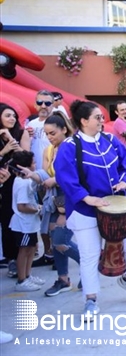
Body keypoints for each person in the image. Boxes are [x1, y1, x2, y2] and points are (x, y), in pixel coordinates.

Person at [55, 100, 126, 318]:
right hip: (85, 209)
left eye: (102, 117)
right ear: (84, 121)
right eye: (97, 117)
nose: (102, 121)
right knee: (90, 254)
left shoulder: (111, 140)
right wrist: (87, 198)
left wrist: (124, 181)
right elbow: (65, 178)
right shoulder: (69, 146)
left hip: (116, 206)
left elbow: (125, 165)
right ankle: (91, 299)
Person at [18, 112, 81, 296]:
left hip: (70, 198)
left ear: (64, 129)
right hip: (54, 200)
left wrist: (56, 180)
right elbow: (46, 175)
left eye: (53, 133)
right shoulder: (50, 150)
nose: (49, 137)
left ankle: (90, 265)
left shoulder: (73, 147)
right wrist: (32, 175)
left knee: (61, 240)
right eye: (46, 134)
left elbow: (77, 176)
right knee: (55, 242)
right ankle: (63, 279)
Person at [0, 103, 30, 278]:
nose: (12, 118)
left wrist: (11, 140)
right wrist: (4, 150)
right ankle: (11, 257)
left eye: (13, 116)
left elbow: (25, 157)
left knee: (20, 215)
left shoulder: (21, 133)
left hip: (18, 181)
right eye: (7, 116)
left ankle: (24, 254)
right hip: (3, 182)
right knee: (6, 219)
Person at [26, 90, 56, 264]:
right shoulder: (31, 125)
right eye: (40, 102)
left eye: (47, 103)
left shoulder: (58, 124)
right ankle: (48, 254)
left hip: (52, 178)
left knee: (53, 219)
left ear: (53, 104)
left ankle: (57, 254)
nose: (43, 106)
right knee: (42, 218)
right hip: (36, 177)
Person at [10, 150, 45, 291]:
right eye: (33, 163)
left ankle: (28, 275)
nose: (35, 164)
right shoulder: (22, 184)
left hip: (30, 223)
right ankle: (21, 280)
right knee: (24, 251)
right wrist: (38, 209)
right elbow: (22, 206)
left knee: (32, 249)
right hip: (23, 223)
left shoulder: (26, 181)